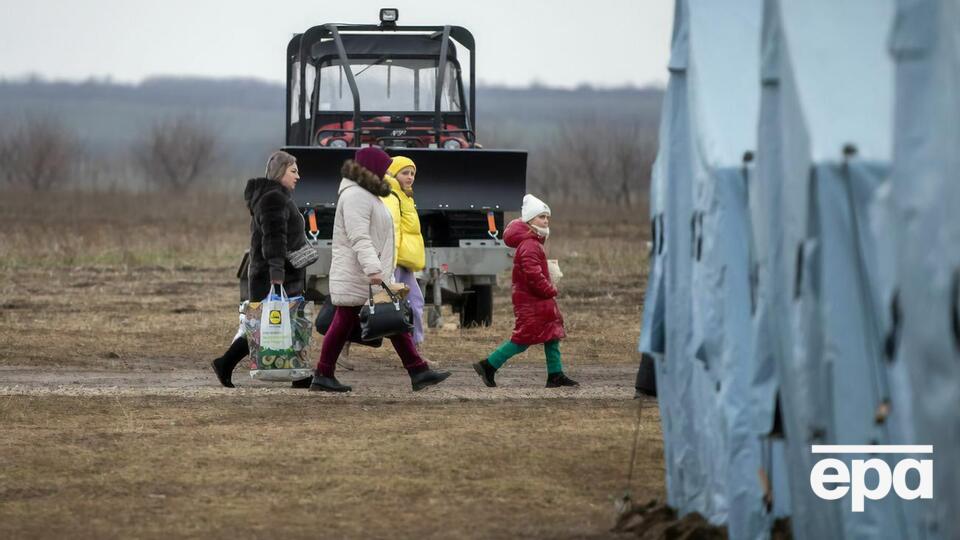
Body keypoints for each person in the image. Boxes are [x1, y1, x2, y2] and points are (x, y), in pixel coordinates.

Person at [310, 147, 451, 392]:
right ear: (372, 169)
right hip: (362, 272)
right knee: (360, 320)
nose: (387, 175)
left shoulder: (366, 194)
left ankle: (418, 371)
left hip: (366, 271)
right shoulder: (356, 196)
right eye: (384, 170)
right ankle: (323, 373)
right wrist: (374, 269)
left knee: (390, 320)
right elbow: (359, 237)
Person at [211, 150, 312, 388]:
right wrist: (276, 275)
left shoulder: (277, 196)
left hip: (281, 273)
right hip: (273, 275)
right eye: (293, 171)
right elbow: (273, 239)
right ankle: (225, 363)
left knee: (285, 322)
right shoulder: (274, 199)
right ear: (279, 172)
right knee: (265, 325)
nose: (298, 176)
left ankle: (299, 375)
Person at [472, 194, 579, 388]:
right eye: (541, 217)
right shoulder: (530, 244)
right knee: (523, 339)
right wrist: (550, 289)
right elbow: (533, 275)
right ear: (530, 220)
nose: (545, 220)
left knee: (552, 334)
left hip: (537, 301)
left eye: (547, 217)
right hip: (532, 301)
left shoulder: (533, 242)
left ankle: (555, 374)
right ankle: (488, 365)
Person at [381, 156, 427, 348]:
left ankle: (416, 349)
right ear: (393, 173)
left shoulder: (405, 195)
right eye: (405, 173)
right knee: (382, 306)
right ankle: (345, 343)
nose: (410, 177)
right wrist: (390, 266)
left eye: (412, 173)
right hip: (395, 260)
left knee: (415, 302)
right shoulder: (391, 195)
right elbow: (394, 229)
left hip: (404, 261)